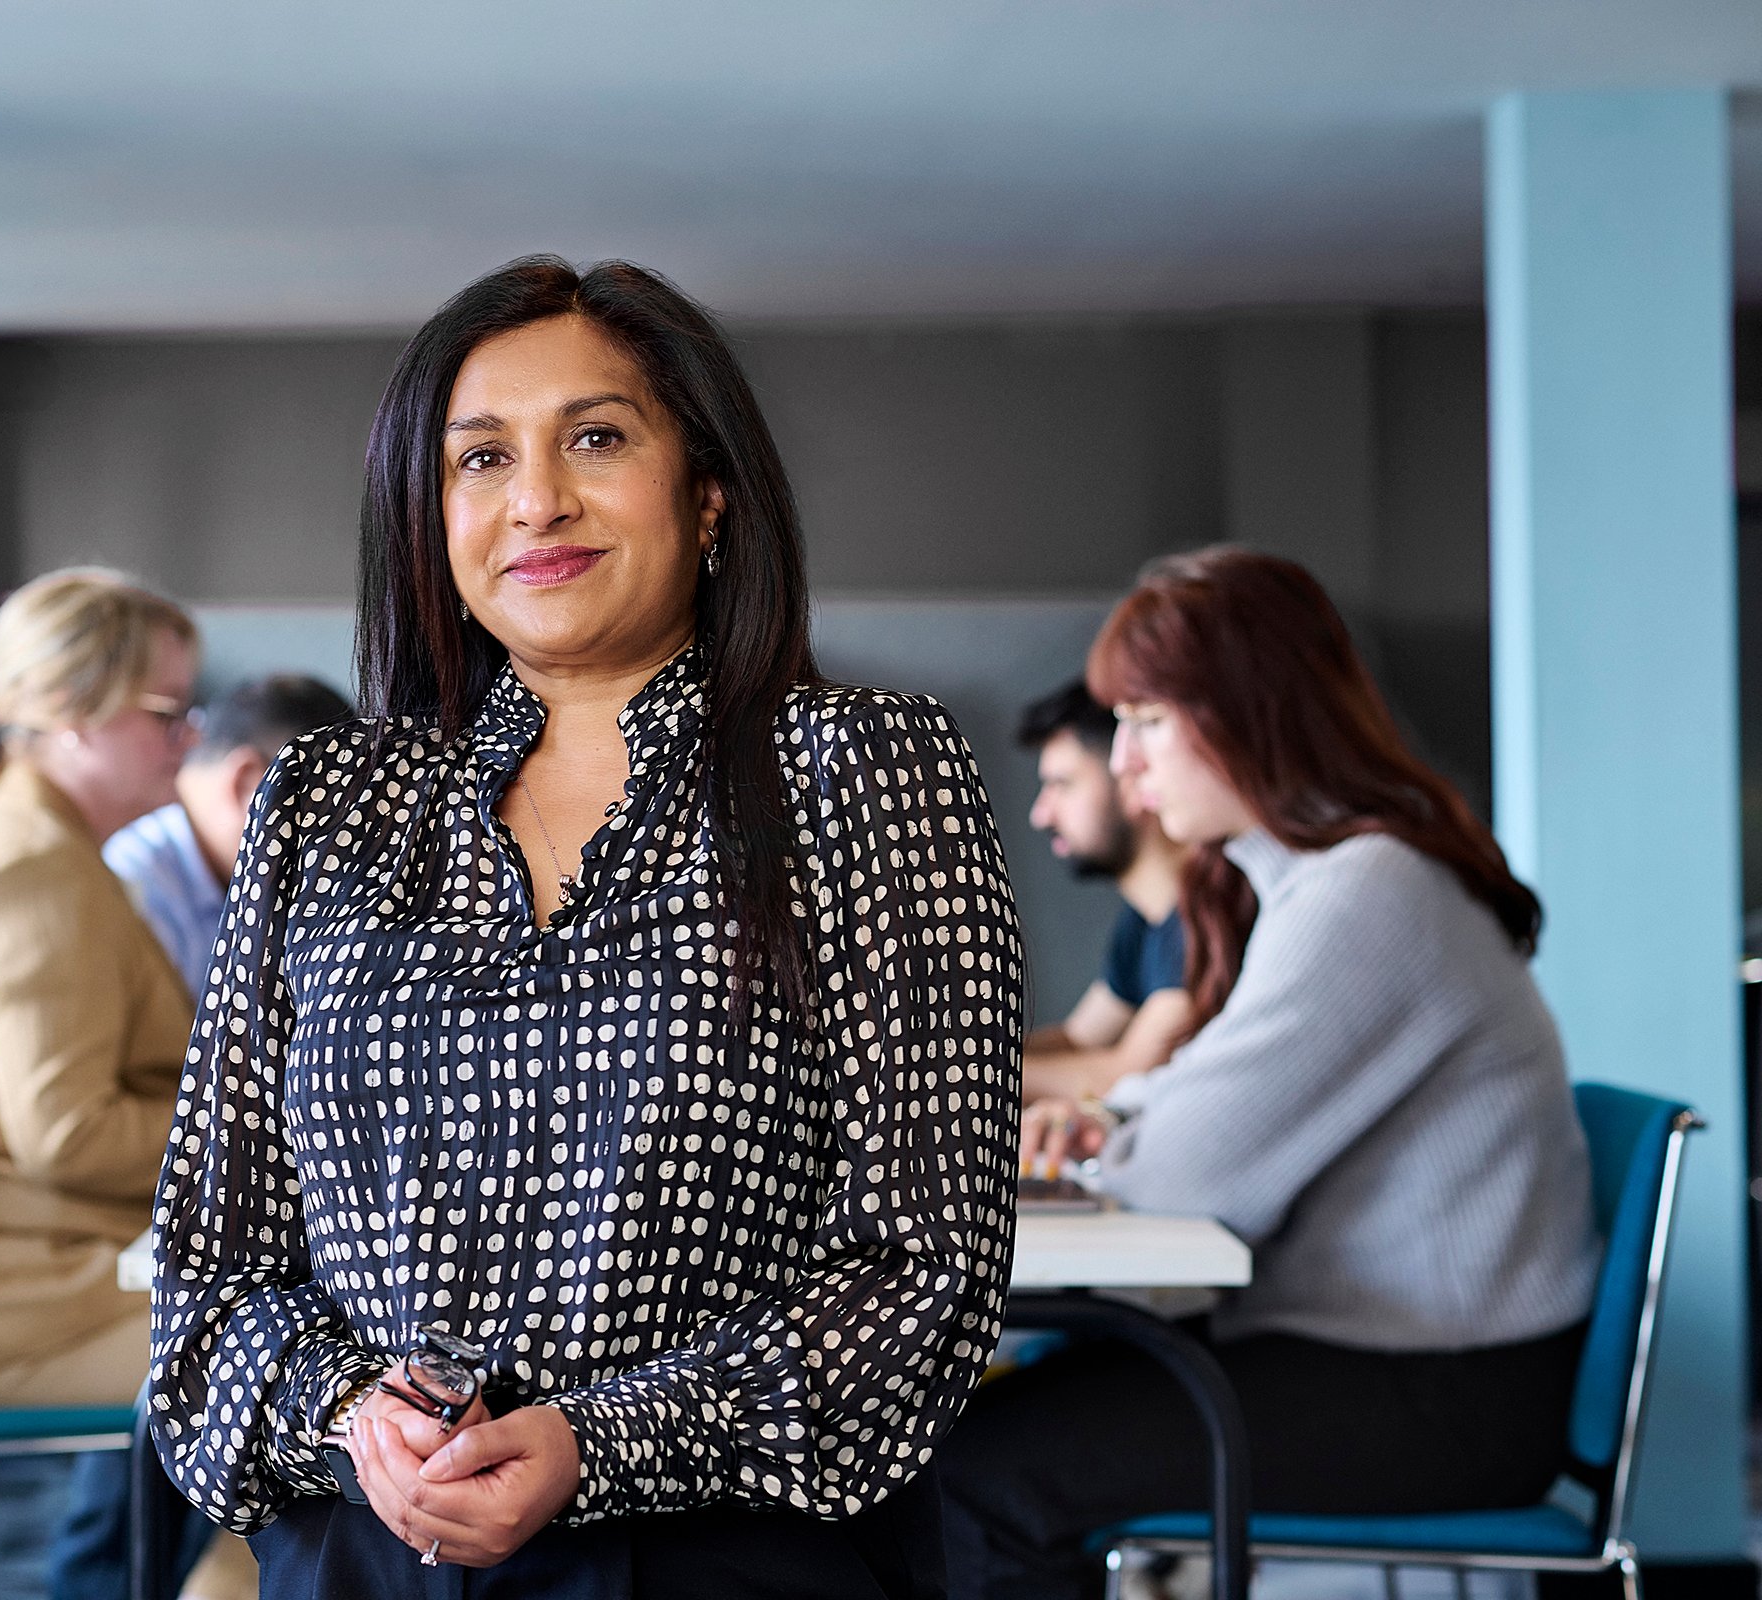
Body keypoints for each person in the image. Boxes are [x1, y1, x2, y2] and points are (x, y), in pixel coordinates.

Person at [147, 256, 1025, 1600]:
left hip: (730, 1557)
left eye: (597, 439)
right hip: (374, 1550)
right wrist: (352, 1420)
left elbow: (928, 1270)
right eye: (480, 458)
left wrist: (596, 1443)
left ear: (710, 494)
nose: (537, 498)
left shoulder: (860, 769)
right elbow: (209, 1275)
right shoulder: (326, 803)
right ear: (431, 518)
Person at [939, 548, 1600, 1600]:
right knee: (969, 1435)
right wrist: (1123, 1121)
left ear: (1248, 712)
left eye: (1149, 721)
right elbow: (1205, 1094)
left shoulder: (1365, 895)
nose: (1125, 765)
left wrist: (1124, 1128)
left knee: (980, 1473)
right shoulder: (1323, 884)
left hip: (1443, 1394)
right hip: (1403, 1361)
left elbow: (1191, 1177)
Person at [0, 567, 204, 1600]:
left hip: (49, 1273)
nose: (184, 739)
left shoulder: (54, 856)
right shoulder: (33, 878)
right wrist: (261, 1139)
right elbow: (68, 1136)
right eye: (165, 712)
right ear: (70, 716)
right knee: (292, 1362)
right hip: (24, 1311)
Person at [106, 673, 356, 988]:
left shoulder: (215, 872)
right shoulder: (135, 888)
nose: (333, 858)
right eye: (328, 824)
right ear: (251, 787)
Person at [1013, 681, 1189, 1103]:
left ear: (1129, 775)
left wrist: (944, 1081)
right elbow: (1079, 1039)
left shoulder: (1206, 917)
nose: (1041, 814)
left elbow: (1125, 1075)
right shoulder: (1144, 920)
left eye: (1062, 784)